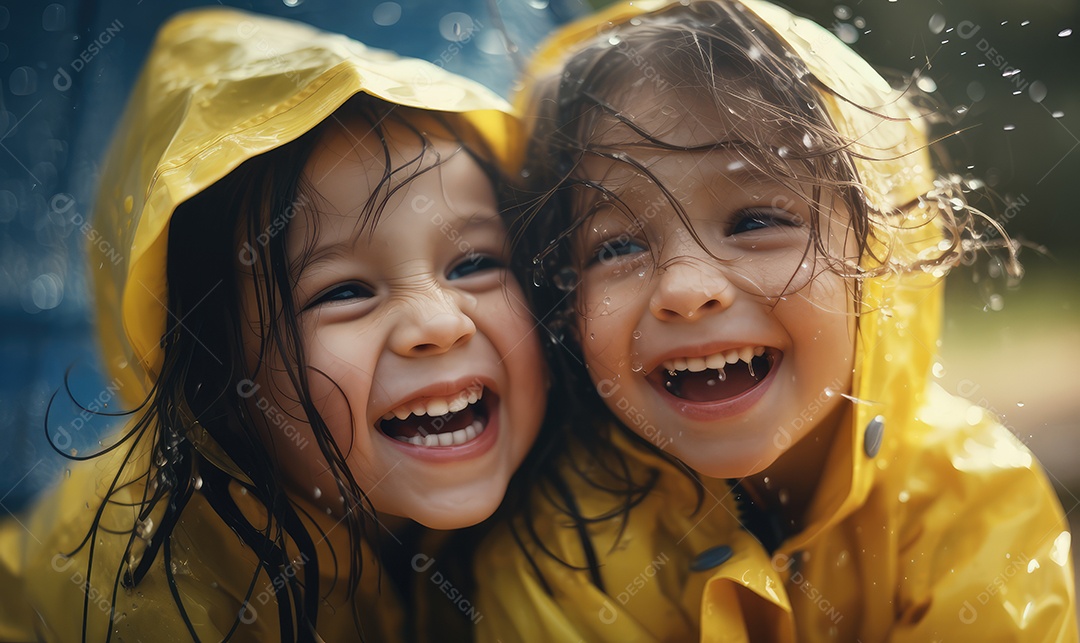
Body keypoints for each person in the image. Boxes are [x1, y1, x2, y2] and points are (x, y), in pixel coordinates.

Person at [475, 0, 1077, 640]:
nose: (685, 289)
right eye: (617, 247)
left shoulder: (973, 504)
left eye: (755, 222)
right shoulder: (563, 547)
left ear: (883, 254)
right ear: (564, 304)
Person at [0, 8, 546, 641]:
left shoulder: (581, 480)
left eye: (475, 262)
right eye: (343, 291)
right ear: (220, 378)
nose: (439, 321)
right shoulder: (157, 590)